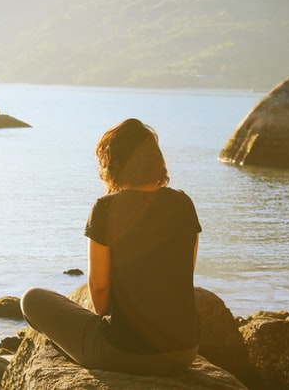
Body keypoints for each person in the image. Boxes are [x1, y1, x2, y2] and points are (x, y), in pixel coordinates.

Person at [21, 118, 201, 376]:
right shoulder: (184, 204)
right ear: (156, 160)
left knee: (31, 299)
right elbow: (185, 272)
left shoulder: (105, 209)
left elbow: (101, 297)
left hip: (125, 352)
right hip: (184, 352)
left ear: (112, 164)